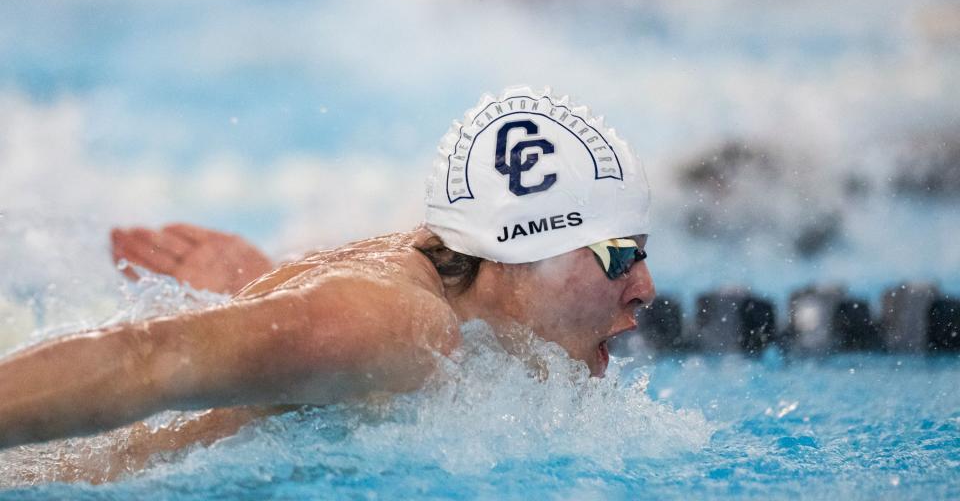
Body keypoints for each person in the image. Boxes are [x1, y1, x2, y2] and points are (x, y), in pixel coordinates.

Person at [0, 86, 655, 479]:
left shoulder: (430, 296)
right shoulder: (400, 327)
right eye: (619, 254)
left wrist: (254, 294)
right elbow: (149, 354)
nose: (645, 287)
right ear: (519, 252)